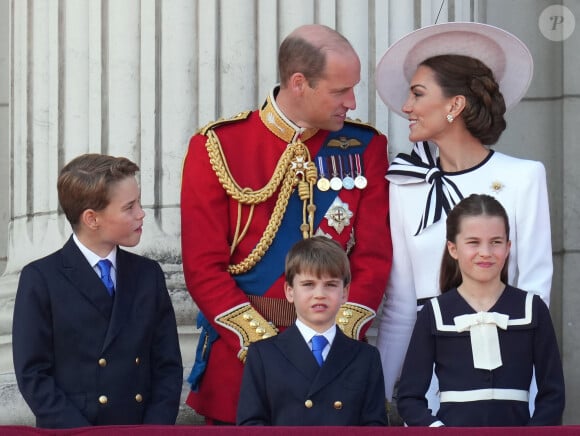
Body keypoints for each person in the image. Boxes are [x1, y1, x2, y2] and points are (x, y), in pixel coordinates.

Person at [180, 24, 392, 424]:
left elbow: (374, 258)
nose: (352, 101)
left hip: (335, 365)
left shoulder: (366, 147)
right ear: (299, 83)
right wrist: (268, 351)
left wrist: (336, 338)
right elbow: (203, 269)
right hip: (243, 366)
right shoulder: (218, 146)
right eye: (339, 90)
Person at [374, 22, 553, 414]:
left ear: (454, 105)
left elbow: (534, 292)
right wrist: (379, 401)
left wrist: (536, 399)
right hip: (428, 377)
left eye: (418, 94)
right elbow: (402, 304)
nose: (406, 107)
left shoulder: (525, 177)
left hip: (503, 377)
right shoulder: (405, 184)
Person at [12, 154, 183, 428]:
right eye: (129, 207)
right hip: (73, 431)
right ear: (92, 219)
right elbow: (33, 375)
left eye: (138, 202)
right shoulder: (41, 278)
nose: (141, 213)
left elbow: (167, 366)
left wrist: (154, 430)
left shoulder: (148, 274)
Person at [397, 194, 565, 426]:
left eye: (496, 242)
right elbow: (409, 398)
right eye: (473, 242)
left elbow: (553, 395)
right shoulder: (434, 312)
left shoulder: (532, 309)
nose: (485, 252)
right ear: (453, 248)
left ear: (508, 248)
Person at [236, 236, 387, 426]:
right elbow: (251, 425)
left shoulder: (366, 358)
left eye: (330, 285)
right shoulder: (263, 355)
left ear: (345, 293)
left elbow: (374, 427)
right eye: (308, 285)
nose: (319, 294)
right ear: (289, 291)